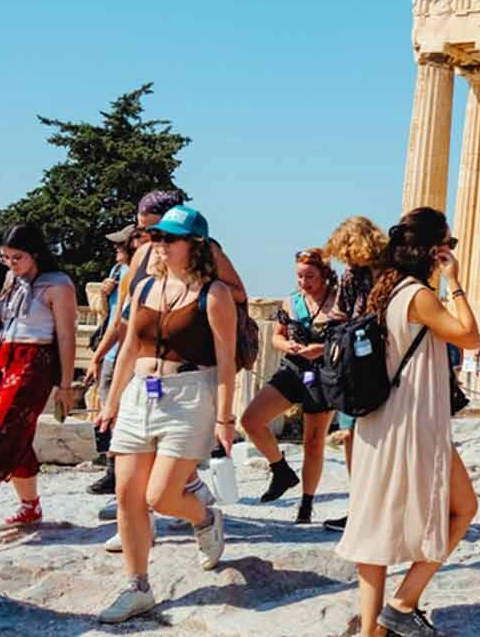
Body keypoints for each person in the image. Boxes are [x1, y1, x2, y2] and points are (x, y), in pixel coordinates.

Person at [336, 208, 480, 637]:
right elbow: (469, 336)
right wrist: (453, 280)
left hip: (378, 422)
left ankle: (372, 631)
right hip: (414, 422)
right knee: (463, 509)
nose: (451, 253)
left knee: (373, 528)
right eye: (449, 246)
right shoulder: (419, 295)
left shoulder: (387, 288)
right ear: (434, 250)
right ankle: (401, 604)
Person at [94, 206, 236, 623]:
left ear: (194, 246)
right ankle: (138, 585)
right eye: (156, 236)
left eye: (168, 238)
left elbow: (226, 363)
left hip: (190, 395)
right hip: (142, 393)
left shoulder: (215, 294)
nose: (159, 243)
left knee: (161, 496)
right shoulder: (144, 289)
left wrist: (225, 421)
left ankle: (206, 518)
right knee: (126, 495)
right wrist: (113, 401)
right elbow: (130, 349)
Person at [240, 248, 339, 523]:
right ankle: (281, 470)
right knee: (250, 420)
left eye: (310, 276)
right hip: (294, 369)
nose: (304, 282)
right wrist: (289, 346)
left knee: (314, 442)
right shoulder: (291, 303)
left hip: (323, 374)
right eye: (299, 276)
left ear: (324, 275)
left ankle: (306, 505)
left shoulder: (338, 302)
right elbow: (276, 338)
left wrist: (321, 348)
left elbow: (345, 340)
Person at [0, 223, 77, 527]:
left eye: (17, 258)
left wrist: (66, 385)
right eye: (6, 258)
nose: (11, 264)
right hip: (5, 357)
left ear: (35, 254)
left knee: (0, 432)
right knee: (18, 436)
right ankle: (30, 506)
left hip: (34, 363)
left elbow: (66, 336)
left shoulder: (58, 285)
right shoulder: (11, 279)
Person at [320, 215, 387, 533]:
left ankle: (381, 509)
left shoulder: (391, 271)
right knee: (351, 435)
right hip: (356, 363)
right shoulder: (351, 275)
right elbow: (343, 311)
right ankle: (360, 507)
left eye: (346, 249)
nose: (344, 257)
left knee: (380, 439)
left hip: (385, 360)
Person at [85, 223, 146, 496]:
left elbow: (120, 324)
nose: (115, 248)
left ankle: (120, 473)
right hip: (112, 352)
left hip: (128, 352)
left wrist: (95, 357)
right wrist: (104, 294)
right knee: (108, 412)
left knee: (122, 414)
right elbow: (105, 315)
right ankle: (112, 470)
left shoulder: (138, 276)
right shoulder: (117, 272)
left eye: (119, 244)